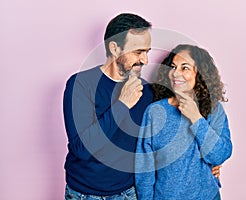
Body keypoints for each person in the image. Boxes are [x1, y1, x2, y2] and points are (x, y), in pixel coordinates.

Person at [63, 13, 222, 199]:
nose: (145, 60)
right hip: (84, 193)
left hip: (130, 193)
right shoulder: (80, 84)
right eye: (138, 52)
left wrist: (207, 163)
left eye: (147, 51)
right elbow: (81, 149)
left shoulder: (148, 91)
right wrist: (122, 104)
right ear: (115, 48)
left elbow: (171, 137)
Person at [135, 44, 233, 200]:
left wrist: (196, 118)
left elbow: (219, 155)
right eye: (173, 67)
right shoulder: (155, 112)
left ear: (200, 74)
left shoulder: (214, 108)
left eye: (185, 68)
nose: (175, 73)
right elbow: (144, 166)